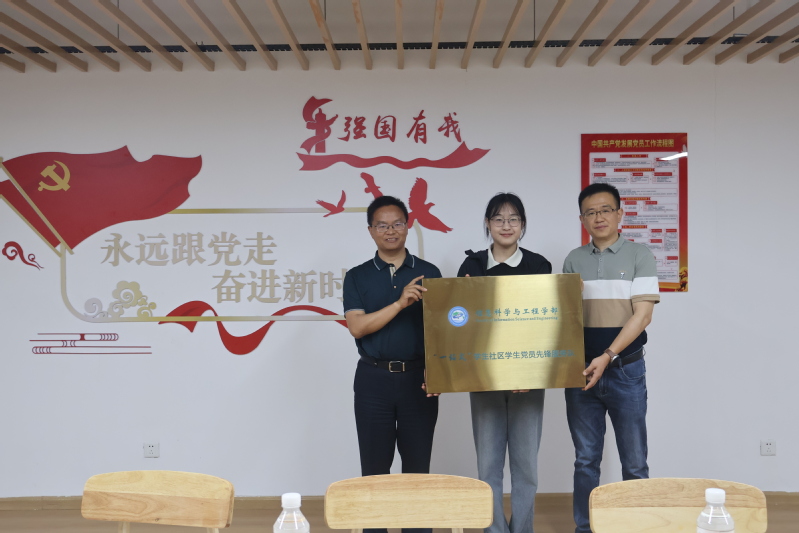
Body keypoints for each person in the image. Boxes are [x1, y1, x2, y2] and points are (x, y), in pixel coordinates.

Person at [562, 183, 660, 533]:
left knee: (634, 462)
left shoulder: (639, 255)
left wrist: (607, 355)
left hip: (625, 371)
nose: (598, 217)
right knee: (585, 460)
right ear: (582, 219)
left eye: (605, 210)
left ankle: (637, 527)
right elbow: (565, 317)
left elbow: (642, 316)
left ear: (620, 214)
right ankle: (586, 527)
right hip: (581, 372)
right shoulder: (573, 260)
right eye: (590, 212)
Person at [342, 195, 441, 533]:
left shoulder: (429, 273)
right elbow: (357, 327)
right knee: (374, 470)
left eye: (397, 223)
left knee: (417, 469)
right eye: (382, 225)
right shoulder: (357, 276)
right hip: (373, 380)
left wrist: (440, 372)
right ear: (371, 230)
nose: (390, 231)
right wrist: (400, 303)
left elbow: (442, 330)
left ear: (408, 226)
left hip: (419, 380)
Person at [457, 193, 552, 533]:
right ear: (488, 223)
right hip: (484, 379)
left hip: (528, 380)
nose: (506, 225)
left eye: (513, 219)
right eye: (498, 219)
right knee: (488, 466)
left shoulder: (539, 265)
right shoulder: (471, 267)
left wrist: (529, 372)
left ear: (522, 225)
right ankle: (494, 529)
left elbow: (545, 325)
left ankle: (523, 529)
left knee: (526, 467)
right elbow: (461, 325)